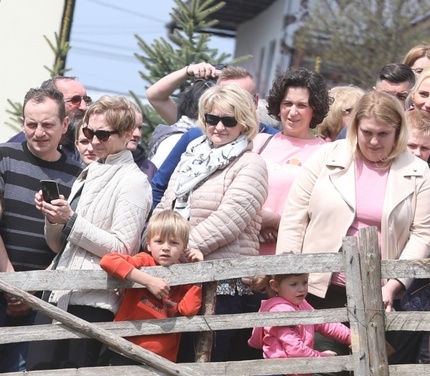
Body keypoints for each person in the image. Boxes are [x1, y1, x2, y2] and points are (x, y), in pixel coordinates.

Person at [276, 91, 430, 376]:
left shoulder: (418, 171)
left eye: (383, 134)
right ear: (354, 128)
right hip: (321, 290)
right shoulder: (327, 157)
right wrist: (287, 273)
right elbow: (295, 215)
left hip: (381, 296)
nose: (374, 141)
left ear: (398, 133)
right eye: (367, 133)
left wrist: (394, 284)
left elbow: (422, 234)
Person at [31, 95, 153, 376]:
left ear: (127, 135)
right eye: (88, 133)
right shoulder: (87, 173)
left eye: (103, 134)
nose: (93, 141)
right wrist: (52, 217)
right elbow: (59, 246)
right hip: (57, 293)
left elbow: (122, 249)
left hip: (94, 301)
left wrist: (71, 220)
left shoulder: (135, 181)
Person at [154, 84, 268, 376]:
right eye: (211, 118)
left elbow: (230, 220)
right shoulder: (191, 157)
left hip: (223, 288)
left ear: (244, 123)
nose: (218, 126)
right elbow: (166, 204)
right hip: (179, 282)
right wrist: (159, 245)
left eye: (228, 121)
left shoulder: (251, 164)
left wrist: (177, 251)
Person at [0, 87, 82, 376]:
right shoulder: (4, 157)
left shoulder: (77, 176)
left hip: (42, 295)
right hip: (4, 280)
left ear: (65, 124)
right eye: (31, 124)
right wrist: (10, 281)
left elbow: (71, 241)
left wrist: (32, 287)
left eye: (47, 125)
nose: (39, 133)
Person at [99, 210, 204, 376]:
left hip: (162, 362)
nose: (166, 248)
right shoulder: (144, 261)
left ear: (184, 248)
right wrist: (148, 281)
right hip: (127, 353)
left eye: (174, 243)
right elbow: (108, 261)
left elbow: (188, 309)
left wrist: (198, 273)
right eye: (159, 242)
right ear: (148, 244)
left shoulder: (184, 276)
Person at [149, 66, 277, 209]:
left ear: (255, 101)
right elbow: (159, 186)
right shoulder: (195, 138)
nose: (220, 127)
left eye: (240, 98)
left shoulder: (274, 140)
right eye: (224, 95)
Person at [253, 68, 329, 256]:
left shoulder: (326, 152)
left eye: (301, 105)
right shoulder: (259, 142)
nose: (293, 112)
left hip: (290, 260)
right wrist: (258, 222)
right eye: (287, 103)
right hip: (246, 252)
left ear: (315, 109)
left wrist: (278, 221)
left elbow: (323, 210)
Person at [248, 272, 350, 376]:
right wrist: (322, 357)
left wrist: (350, 337)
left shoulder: (302, 305)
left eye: (305, 282)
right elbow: (295, 350)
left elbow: (324, 323)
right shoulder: (279, 312)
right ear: (275, 286)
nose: (301, 288)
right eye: (294, 284)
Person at [7, 76, 90, 162]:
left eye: (86, 100)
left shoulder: (82, 145)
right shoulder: (12, 154)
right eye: (75, 100)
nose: (84, 107)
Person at [127, 102, 156, 181]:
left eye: (140, 128)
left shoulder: (148, 169)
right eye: (131, 127)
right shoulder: (96, 159)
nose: (137, 134)